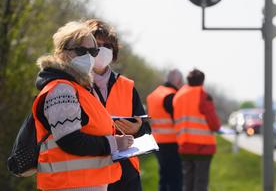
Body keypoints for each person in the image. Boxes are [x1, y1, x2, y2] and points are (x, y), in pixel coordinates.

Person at [33, 21, 134, 191]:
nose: (88, 57)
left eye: (93, 51)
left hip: (82, 183)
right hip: (68, 185)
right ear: (62, 53)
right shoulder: (62, 89)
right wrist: (114, 143)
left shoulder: (79, 88)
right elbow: (70, 140)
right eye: (81, 50)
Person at [84, 19, 151, 191]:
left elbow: (145, 130)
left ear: (113, 51)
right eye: (96, 44)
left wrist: (137, 130)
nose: (102, 50)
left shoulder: (127, 86)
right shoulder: (73, 85)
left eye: (107, 45)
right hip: (90, 171)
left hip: (126, 173)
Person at [173, 69, 221, 191]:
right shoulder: (203, 96)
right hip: (203, 148)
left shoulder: (178, 96)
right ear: (202, 81)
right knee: (200, 183)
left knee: (187, 183)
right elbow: (215, 125)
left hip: (184, 146)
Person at [147, 69, 184, 191]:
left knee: (164, 178)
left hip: (156, 142)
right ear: (178, 81)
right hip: (171, 143)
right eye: (181, 81)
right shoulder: (172, 96)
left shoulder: (154, 95)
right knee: (175, 180)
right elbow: (179, 121)